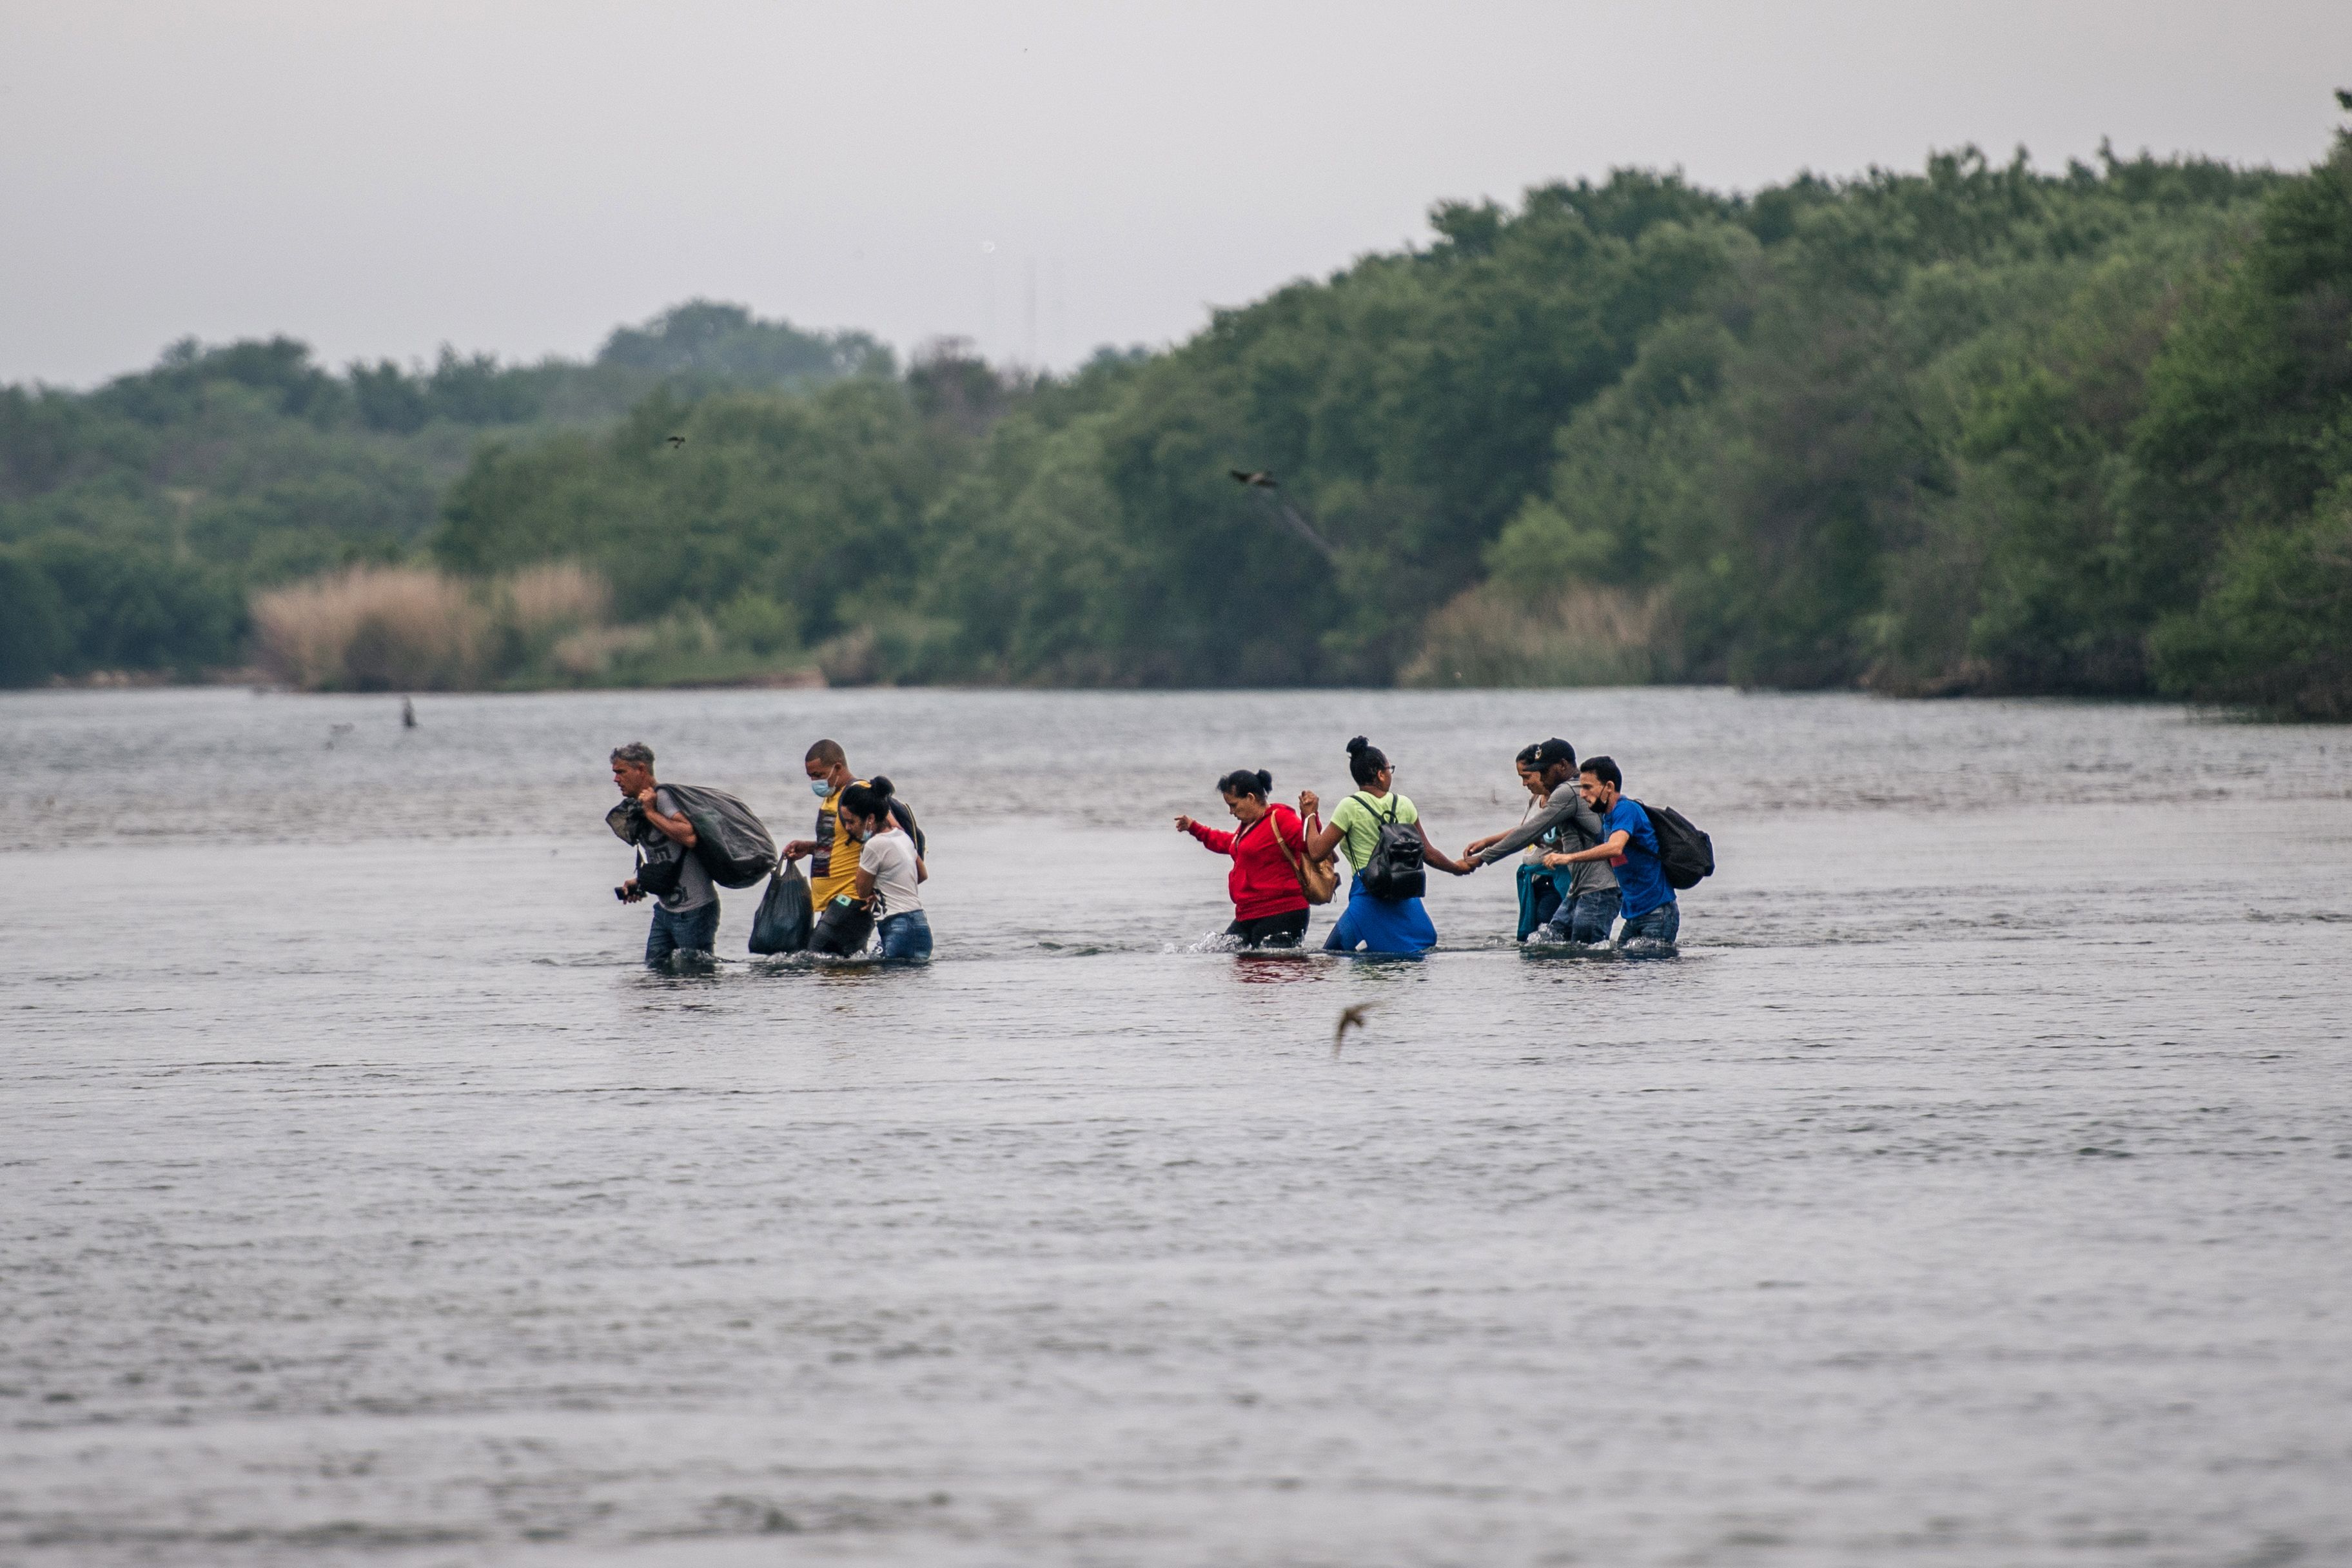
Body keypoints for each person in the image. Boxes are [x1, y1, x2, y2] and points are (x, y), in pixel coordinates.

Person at [1300, 735, 1471, 955]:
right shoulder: (1404, 804)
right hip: (1405, 894)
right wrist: (1458, 868)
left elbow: (1316, 851)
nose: (1390, 773)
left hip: (1368, 895)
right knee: (1417, 949)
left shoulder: (1349, 807)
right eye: (1389, 769)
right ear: (1380, 775)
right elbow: (1428, 853)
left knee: (1332, 953)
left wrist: (1310, 815)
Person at [1464, 737, 1620, 945]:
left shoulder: (1567, 792)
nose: (1541, 777)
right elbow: (1531, 829)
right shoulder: (1573, 791)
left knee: (1588, 954)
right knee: (1547, 942)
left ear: (1563, 765)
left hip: (1598, 889)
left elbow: (1529, 831)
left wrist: (1483, 858)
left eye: (1545, 771)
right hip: (1579, 890)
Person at [1544, 755, 1676, 949]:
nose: (1582, 794)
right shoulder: (1608, 818)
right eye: (1581, 788)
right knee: (1618, 964)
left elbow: (1615, 848)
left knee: (1648, 975)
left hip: (1657, 914)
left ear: (1609, 787)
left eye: (1588, 787)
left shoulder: (1626, 809)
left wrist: (1569, 858)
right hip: (1634, 916)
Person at [609, 741, 720, 968]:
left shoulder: (663, 797)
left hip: (694, 910)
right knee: (656, 973)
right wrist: (640, 882)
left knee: (697, 978)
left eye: (621, 772)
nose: (616, 779)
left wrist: (650, 811)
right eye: (615, 773)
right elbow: (664, 858)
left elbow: (688, 836)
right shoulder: (639, 806)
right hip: (665, 911)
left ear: (641, 770)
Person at [1176, 769, 1314, 948]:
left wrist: (1310, 815)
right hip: (1249, 913)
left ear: (1250, 798)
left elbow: (1310, 845)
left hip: (1284, 911)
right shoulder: (1248, 827)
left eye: (1234, 805)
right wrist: (1195, 828)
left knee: (1264, 968)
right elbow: (1228, 843)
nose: (1231, 812)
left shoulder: (1281, 818)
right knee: (1221, 952)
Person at [782, 739, 923, 910]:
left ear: (838, 768)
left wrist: (882, 889)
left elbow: (895, 834)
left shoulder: (859, 793)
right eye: (810, 776)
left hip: (851, 900)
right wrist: (811, 848)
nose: (814, 781)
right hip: (832, 902)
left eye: (818, 775)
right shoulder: (832, 797)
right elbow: (843, 843)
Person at [839, 777, 931, 962]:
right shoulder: (902, 837)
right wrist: (884, 890)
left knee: (886, 987)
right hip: (920, 925)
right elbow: (921, 875)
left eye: (851, 822)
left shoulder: (874, 845)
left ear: (870, 819)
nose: (848, 828)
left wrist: (873, 892)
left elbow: (861, 890)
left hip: (899, 927)